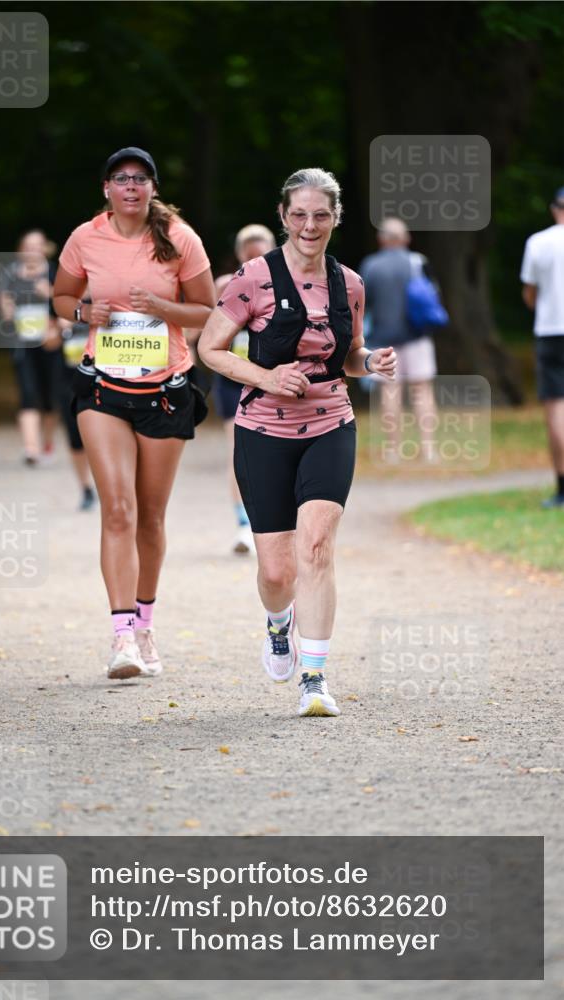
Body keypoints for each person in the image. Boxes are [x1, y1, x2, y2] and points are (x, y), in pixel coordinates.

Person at [198, 168, 396, 717]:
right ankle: (278, 621)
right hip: (263, 431)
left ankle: (315, 677)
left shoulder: (349, 283)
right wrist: (265, 377)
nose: (310, 225)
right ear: (284, 216)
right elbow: (209, 349)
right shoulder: (251, 279)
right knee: (277, 571)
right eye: (300, 214)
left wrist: (370, 363)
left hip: (332, 423)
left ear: (335, 218)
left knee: (316, 546)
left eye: (322, 214)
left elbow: (349, 356)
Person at [53, 146, 215, 678]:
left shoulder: (179, 239)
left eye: (140, 179)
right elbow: (60, 298)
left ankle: (145, 625)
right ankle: (121, 636)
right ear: (106, 188)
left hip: (165, 390)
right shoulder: (85, 237)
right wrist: (83, 311)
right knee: (117, 508)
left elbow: (206, 309)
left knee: (150, 516)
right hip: (103, 387)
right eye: (121, 178)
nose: (130, 186)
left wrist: (162, 309)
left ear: (152, 188)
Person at [209, 224, 276, 555]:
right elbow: (204, 336)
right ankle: (244, 525)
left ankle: (277, 525)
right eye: (248, 254)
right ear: (239, 255)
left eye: (261, 253)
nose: (255, 259)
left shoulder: (288, 284)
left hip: (275, 380)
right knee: (240, 452)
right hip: (233, 380)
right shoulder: (224, 284)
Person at [360, 217, 439, 463]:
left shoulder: (370, 266)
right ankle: (428, 449)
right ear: (406, 239)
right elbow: (432, 295)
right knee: (422, 391)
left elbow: (363, 304)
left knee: (390, 392)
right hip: (417, 336)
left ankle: (394, 450)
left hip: (383, 340)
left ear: (381, 239)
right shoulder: (418, 261)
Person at [0, 229, 61, 465]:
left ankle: (47, 441)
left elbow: (69, 304)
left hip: (50, 344)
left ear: (44, 249)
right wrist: (8, 310)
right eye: (27, 246)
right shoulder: (11, 274)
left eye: (37, 246)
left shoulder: (55, 272)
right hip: (22, 344)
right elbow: (3, 300)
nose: (32, 251)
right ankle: (31, 449)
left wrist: (52, 294)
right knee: (28, 394)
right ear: (20, 250)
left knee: (48, 399)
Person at [520, 186, 564, 509]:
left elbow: (530, 293)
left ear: (554, 209)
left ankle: (562, 487)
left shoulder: (538, 242)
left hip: (550, 330)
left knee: (556, 409)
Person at [57, 295, 96, 511]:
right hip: (70, 380)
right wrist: (59, 327)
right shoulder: (64, 300)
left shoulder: (110, 298)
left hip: (104, 380)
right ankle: (86, 488)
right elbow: (49, 342)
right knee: (75, 439)